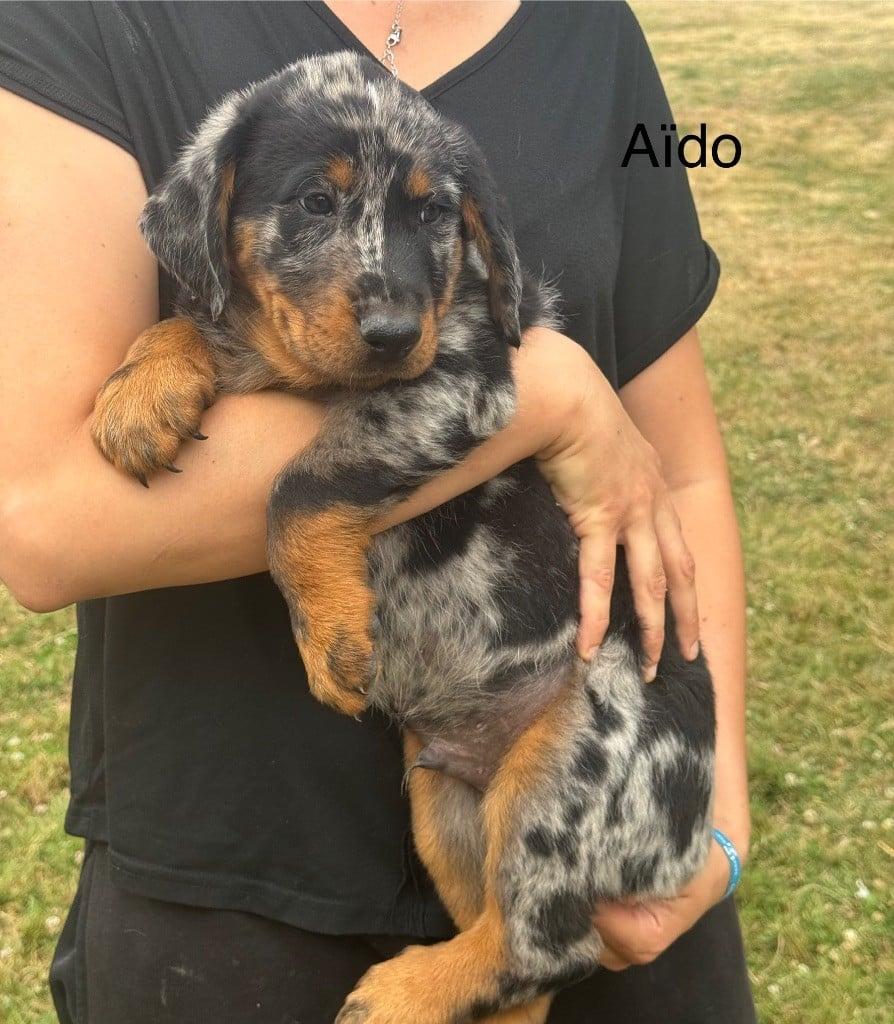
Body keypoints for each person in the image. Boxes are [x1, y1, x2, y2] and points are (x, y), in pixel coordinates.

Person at [0, 2, 753, 1021]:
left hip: (596, 781)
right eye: (315, 204)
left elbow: (687, 474)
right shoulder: (90, 20)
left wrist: (718, 805)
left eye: (431, 218)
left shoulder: (596, 32)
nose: (389, 306)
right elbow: (42, 522)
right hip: (228, 889)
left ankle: (507, 967)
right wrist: (551, 393)